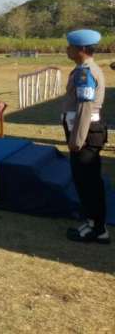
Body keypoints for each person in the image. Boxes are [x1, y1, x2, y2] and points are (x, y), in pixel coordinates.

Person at [63, 29, 109, 244]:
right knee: (86, 180)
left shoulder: (85, 72)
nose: (67, 49)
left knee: (88, 182)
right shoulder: (84, 68)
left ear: (80, 49)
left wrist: (77, 139)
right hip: (86, 130)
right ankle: (92, 222)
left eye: (70, 46)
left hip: (86, 133)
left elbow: (85, 108)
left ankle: (98, 229)